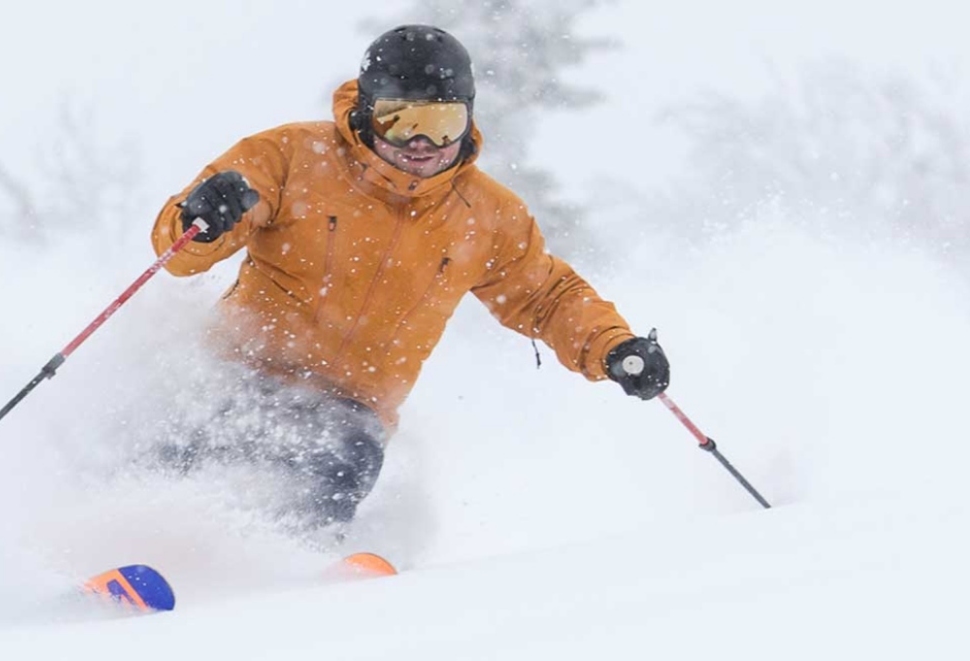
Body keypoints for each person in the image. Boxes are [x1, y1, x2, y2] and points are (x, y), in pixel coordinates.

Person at [147, 25, 670, 539]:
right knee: (178, 448)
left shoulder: (486, 215)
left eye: (443, 124)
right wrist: (203, 217)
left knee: (330, 471)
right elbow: (181, 253)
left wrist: (613, 346)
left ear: (468, 119)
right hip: (237, 369)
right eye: (400, 122)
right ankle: (123, 541)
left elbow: (546, 296)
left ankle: (286, 573)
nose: (422, 143)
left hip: (349, 406)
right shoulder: (291, 157)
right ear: (367, 113)